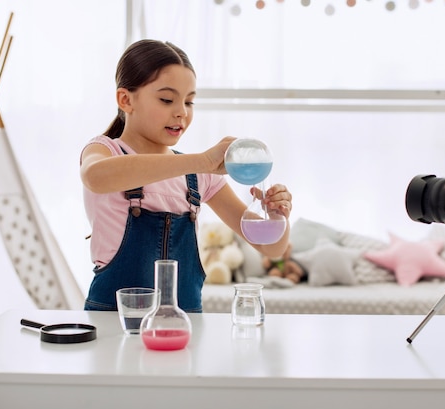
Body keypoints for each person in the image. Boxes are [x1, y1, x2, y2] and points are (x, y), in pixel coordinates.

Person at [80, 39, 292, 312]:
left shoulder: (200, 175)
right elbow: (96, 178)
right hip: (115, 323)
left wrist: (277, 216)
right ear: (126, 99)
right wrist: (202, 161)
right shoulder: (106, 150)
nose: (181, 112)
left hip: (182, 327)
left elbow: (271, 248)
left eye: (189, 101)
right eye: (167, 99)